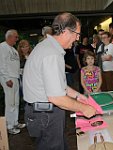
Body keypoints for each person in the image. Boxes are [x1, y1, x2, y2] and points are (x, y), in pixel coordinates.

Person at [23, 12, 96, 150]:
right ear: (67, 31)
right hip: (46, 114)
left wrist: (78, 96)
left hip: (42, 112)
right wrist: (84, 108)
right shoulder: (52, 54)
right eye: (77, 34)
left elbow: (59, 85)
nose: (77, 38)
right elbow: (56, 97)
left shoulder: (47, 47)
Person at [0, 29, 26, 134]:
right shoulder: (2, 47)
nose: (17, 39)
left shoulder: (13, 50)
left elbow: (15, 66)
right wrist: (6, 79)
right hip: (8, 78)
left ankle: (14, 122)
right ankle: (9, 126)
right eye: (16, 37)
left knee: (15, 102)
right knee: (10, 102)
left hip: (15, 77)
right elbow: (1, 64)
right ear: (9, 37)